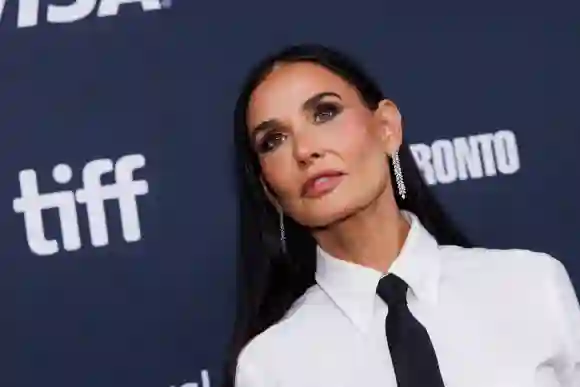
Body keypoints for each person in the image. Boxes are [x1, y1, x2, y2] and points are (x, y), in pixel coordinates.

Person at [222, 43, 580, 387]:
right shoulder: (269, 366)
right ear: (269, 189)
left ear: (387, 129)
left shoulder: (533, 286)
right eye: (273, 140)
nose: (305, 150)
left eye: (324, 114)